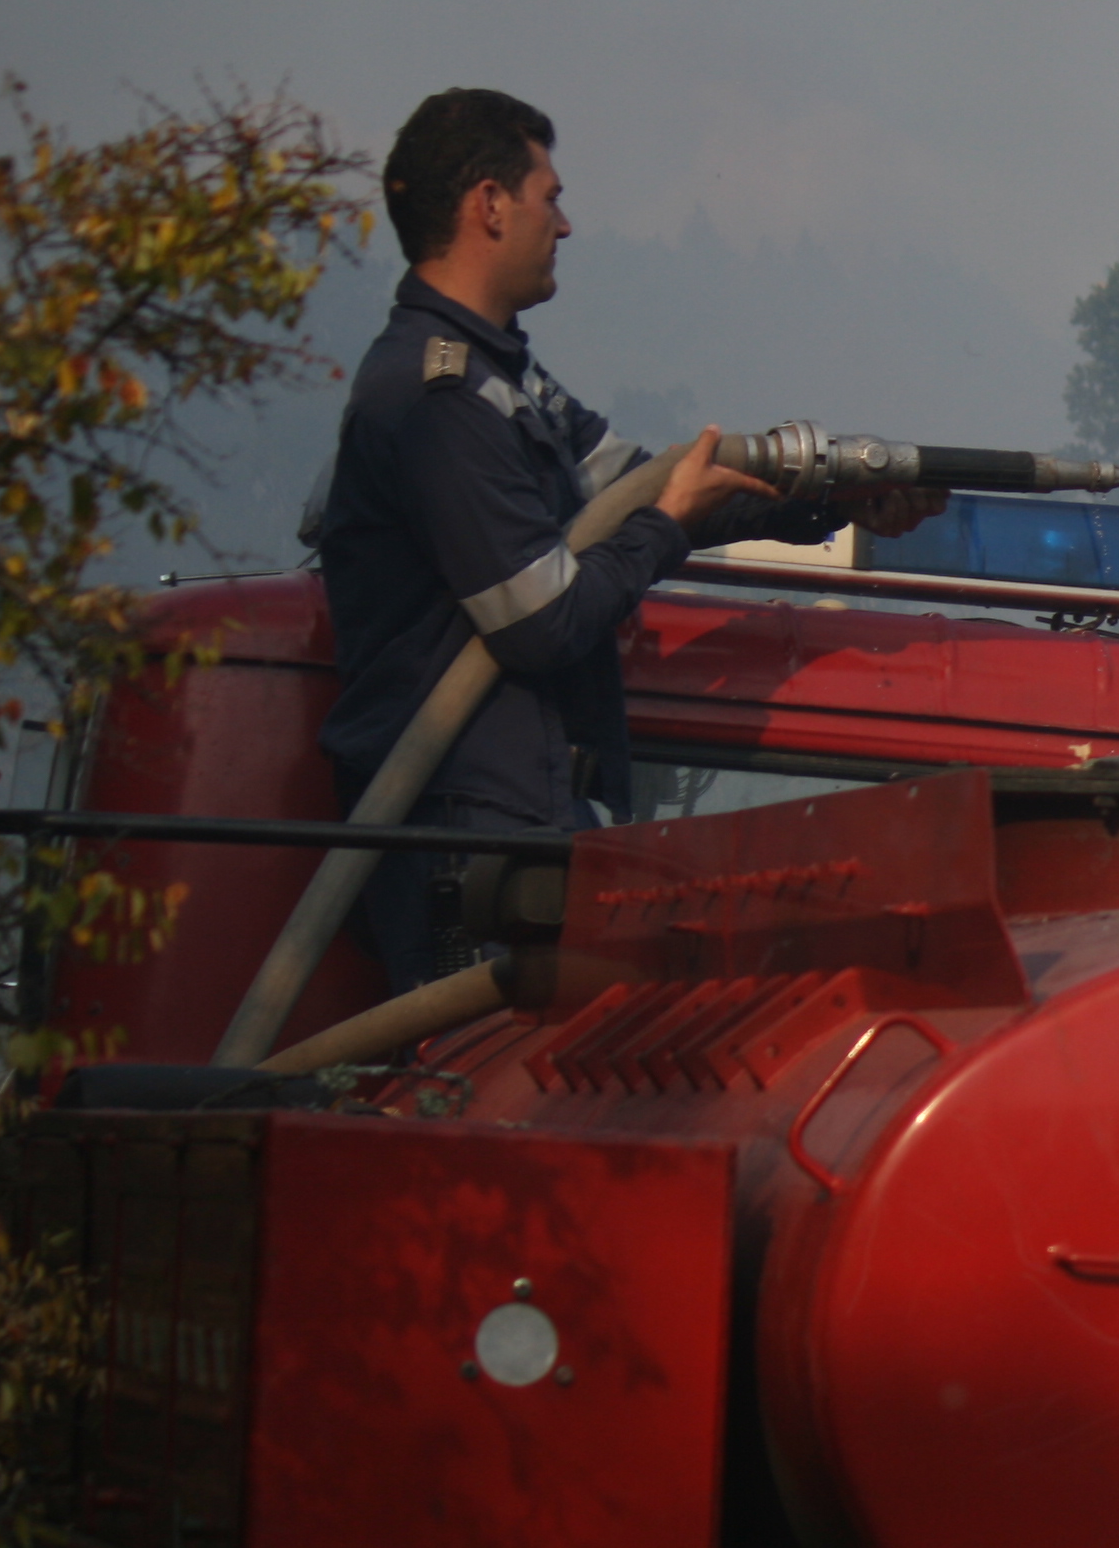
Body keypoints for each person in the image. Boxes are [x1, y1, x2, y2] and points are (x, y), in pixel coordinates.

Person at [310, 87, 924, 989]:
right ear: (489, 204)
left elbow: (645, 480)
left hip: (515, 826)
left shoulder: (504, 383)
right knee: (482, 1070)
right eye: (549, 198)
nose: (564, 225)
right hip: (463, 841)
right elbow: (544, 620)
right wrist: (667, 528)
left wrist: (834, 501)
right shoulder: (439, 402)